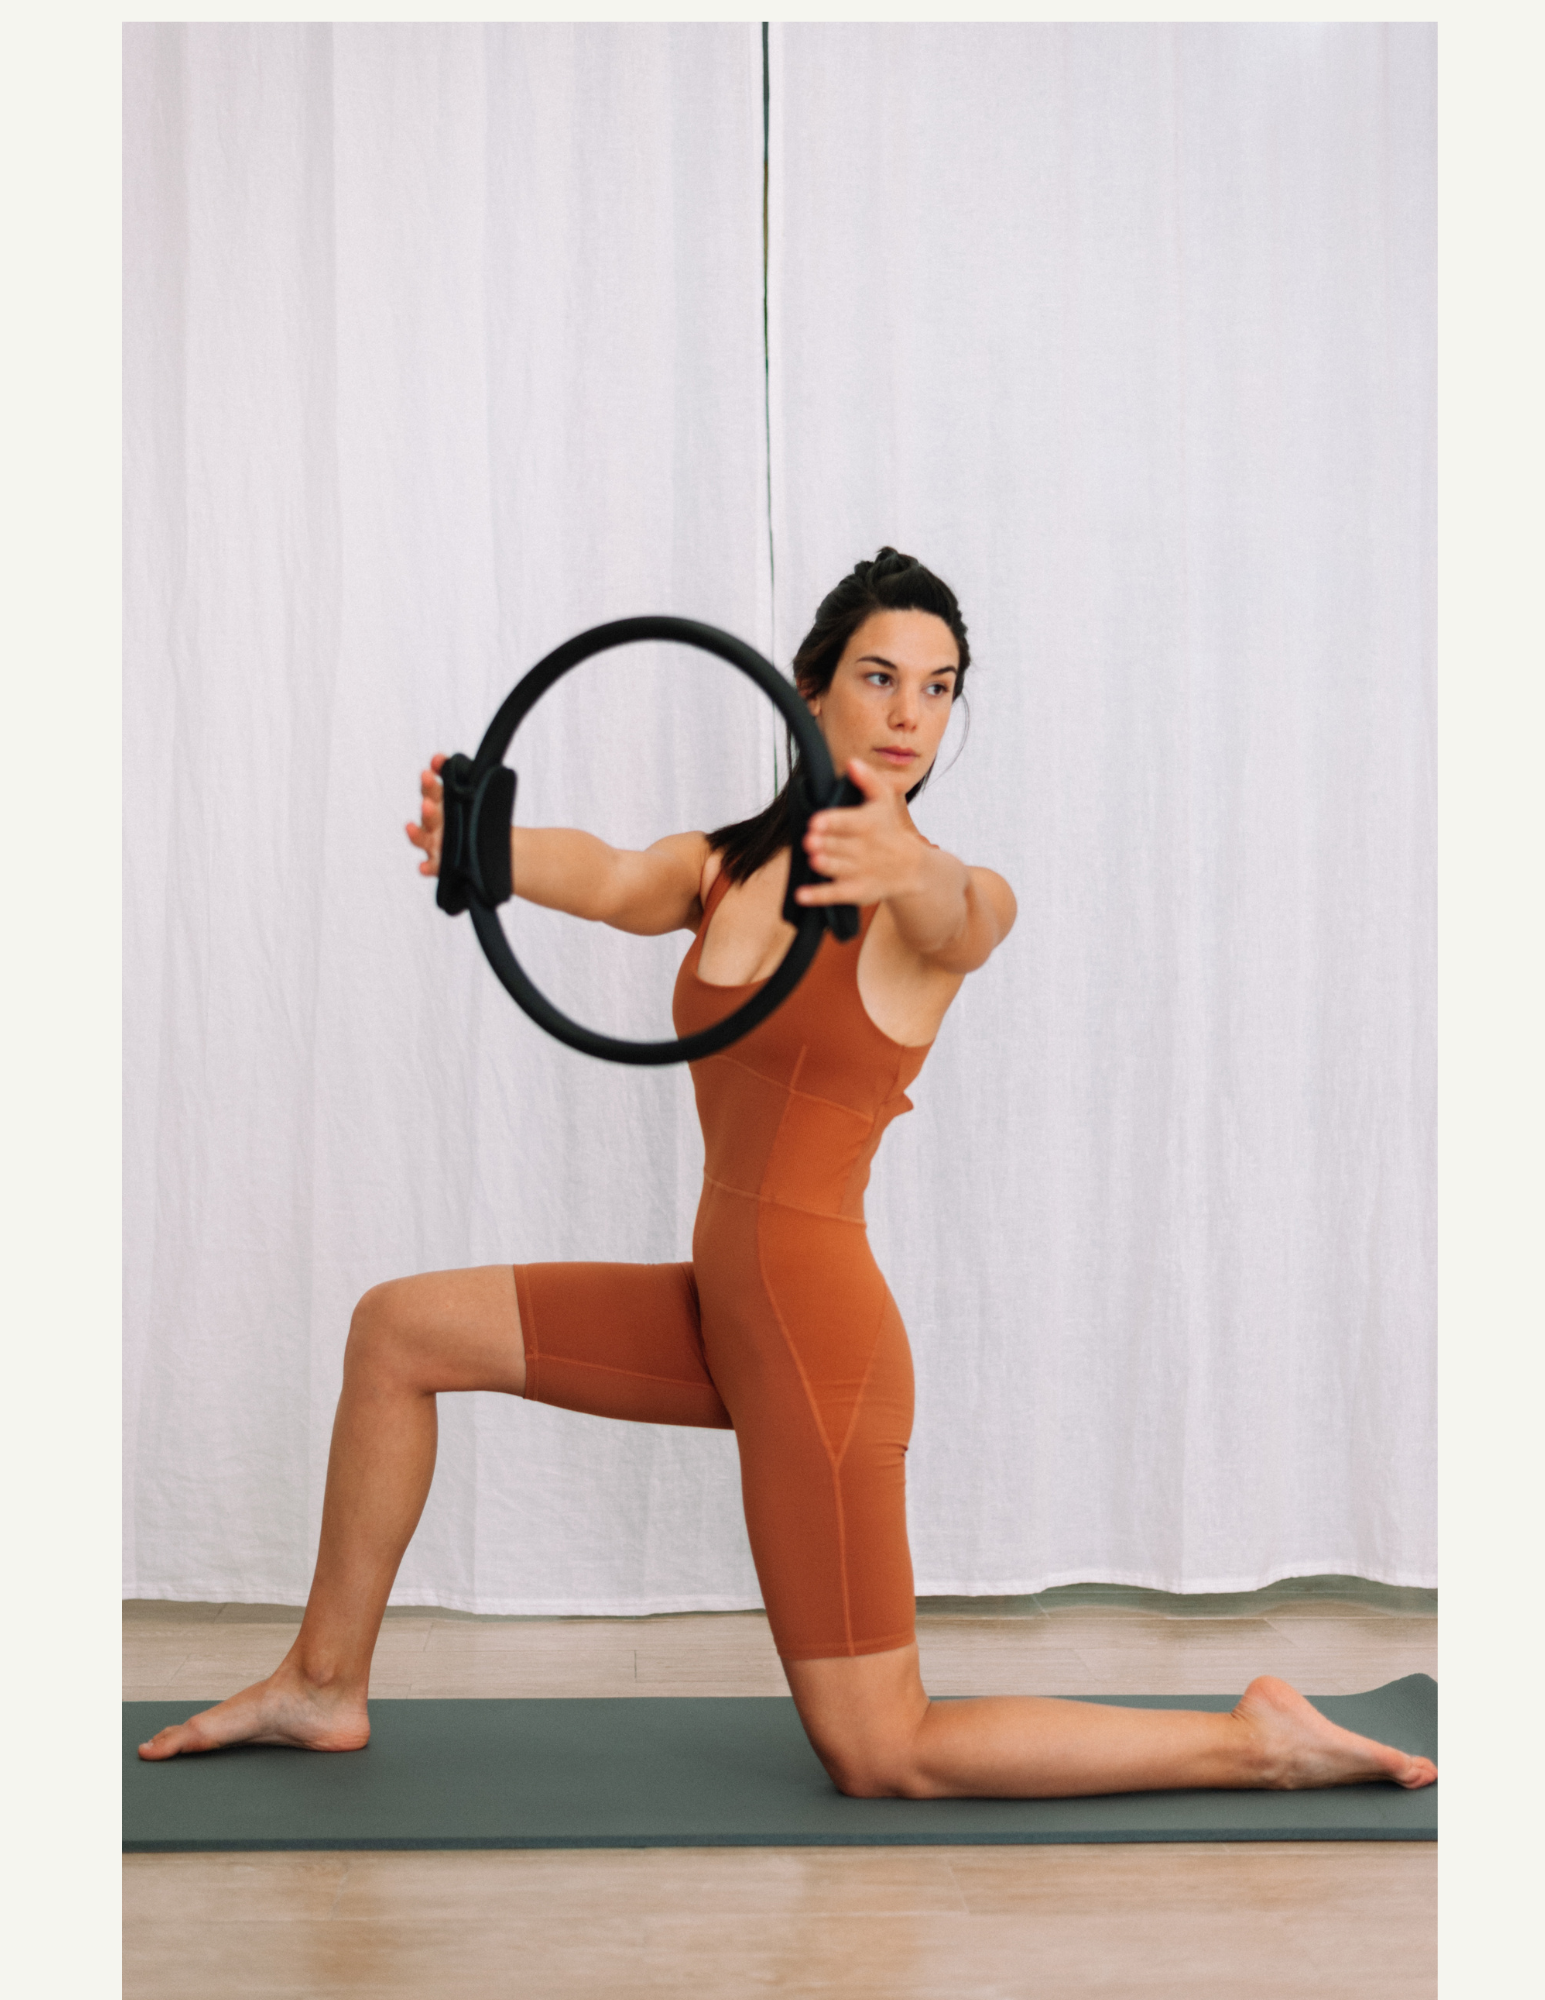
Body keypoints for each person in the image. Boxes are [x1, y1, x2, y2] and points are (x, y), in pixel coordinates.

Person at [139, 550, 1435, 1796]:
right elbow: (616, 876)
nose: (911, 714)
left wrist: (911, 864)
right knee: (398, 1331)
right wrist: (491, 843)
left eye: (940, 688)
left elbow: (965, 916)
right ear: (810, 687)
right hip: (721, 1309)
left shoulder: (939, 900)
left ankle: (1253, 1741)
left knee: (884, 1751)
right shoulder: (728, 868)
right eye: (881, 677)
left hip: (817, 1344)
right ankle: (323, 1681)